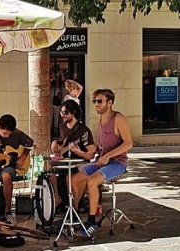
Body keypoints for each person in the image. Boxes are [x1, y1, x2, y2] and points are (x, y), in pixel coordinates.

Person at [71, 88, 133, 236]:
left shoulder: (118, 118)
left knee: (92, 181)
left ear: (110, 102)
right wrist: (96, 149)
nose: (96, 104)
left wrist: (107, 156)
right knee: (74, 178)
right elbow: (103, 143)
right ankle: (74, 214)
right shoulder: (100, 119)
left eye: (100, 101)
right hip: (102, 160)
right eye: (94, 101)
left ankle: (92, 222)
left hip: (117, 163)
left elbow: (128, 143)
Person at [0, 114, 34, 225]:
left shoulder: (17, 133)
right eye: (4, 133)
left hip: (10, 166)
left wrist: (23, 157)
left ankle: (8, 212)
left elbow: (30, 142)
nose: (7, 136)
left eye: (9, 134)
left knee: (6, 176)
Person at [50, 99, 95, 208]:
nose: (62, 115)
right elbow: (63, 142)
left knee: (70, 177)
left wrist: (77, 151)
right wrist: (56, 145)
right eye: (61, 112)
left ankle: (74, 206)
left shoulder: (84, 130)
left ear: (73, 112)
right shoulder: (62, 127)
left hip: (79, 161)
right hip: (65, 159)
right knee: (47, 165)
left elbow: (91, 155)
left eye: (65, 113)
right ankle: (57, 196)